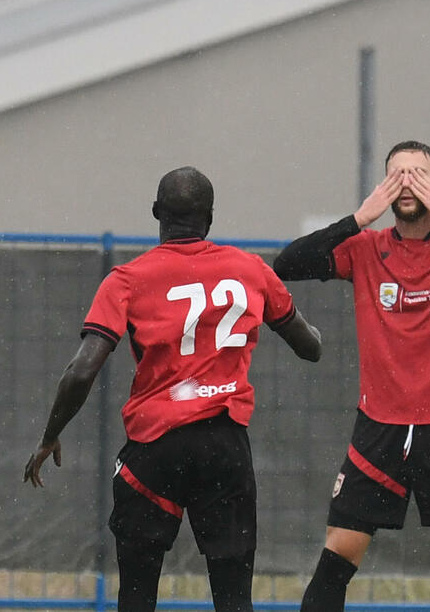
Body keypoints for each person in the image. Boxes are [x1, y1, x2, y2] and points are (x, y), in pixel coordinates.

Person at [23, 167, 323, 612]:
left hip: (155, 445)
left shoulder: (127, 278)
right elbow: (310, 347)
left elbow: (81, 370)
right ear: (211, 217)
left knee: (138, 593)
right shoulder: (250, 269)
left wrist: (50, 436)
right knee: (234, 595)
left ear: (157, 213)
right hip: (225, 444)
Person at [273, 140, 430, 612]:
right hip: (380, 424)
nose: (407, 184)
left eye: (417, 175)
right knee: (337, 554)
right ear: (383, 188)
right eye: (397, 175)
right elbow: (286, 265)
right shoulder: (365, 248)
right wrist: (358, 217)